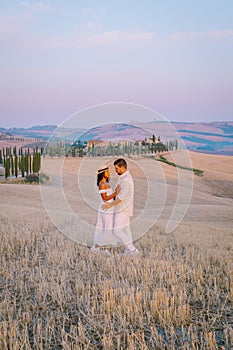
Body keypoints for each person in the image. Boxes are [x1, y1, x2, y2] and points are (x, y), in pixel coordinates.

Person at [102, 158, 139, 256]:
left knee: (116, 230)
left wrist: (110, 204)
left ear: (123, 167)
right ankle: (129, 251)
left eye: (117, 168)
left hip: (123, 209)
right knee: (126, 230)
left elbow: (121, 198)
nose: (115, 170)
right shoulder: (123, 177)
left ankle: (132, 250)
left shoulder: (126, 180)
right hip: (123, 208)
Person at [91, 165, 120, 255]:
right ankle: (99, 247)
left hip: (109, 208)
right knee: (105, 227)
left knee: (107, 227)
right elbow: (105, 198)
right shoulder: (102, 184)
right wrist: (116, 192)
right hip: (105, 208)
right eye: (107, 172)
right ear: (103, 173)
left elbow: (111, 197)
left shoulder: (107, 184)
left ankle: (102, 247)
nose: (109, 173)